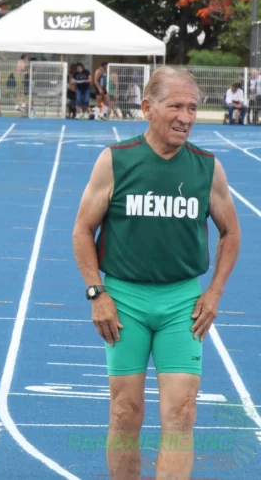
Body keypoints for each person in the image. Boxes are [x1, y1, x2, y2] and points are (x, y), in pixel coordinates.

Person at [72, 67, 241, 480]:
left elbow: (231, 232)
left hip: (182, 302)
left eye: (193, 108)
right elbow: (82, 230)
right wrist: (97, 293)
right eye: (176, 106)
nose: (186, 117)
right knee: (124, 411)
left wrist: (214, 293)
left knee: (182, 413)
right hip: (124, 300)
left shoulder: (207, 167)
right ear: (147, 108)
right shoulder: (116, 161)